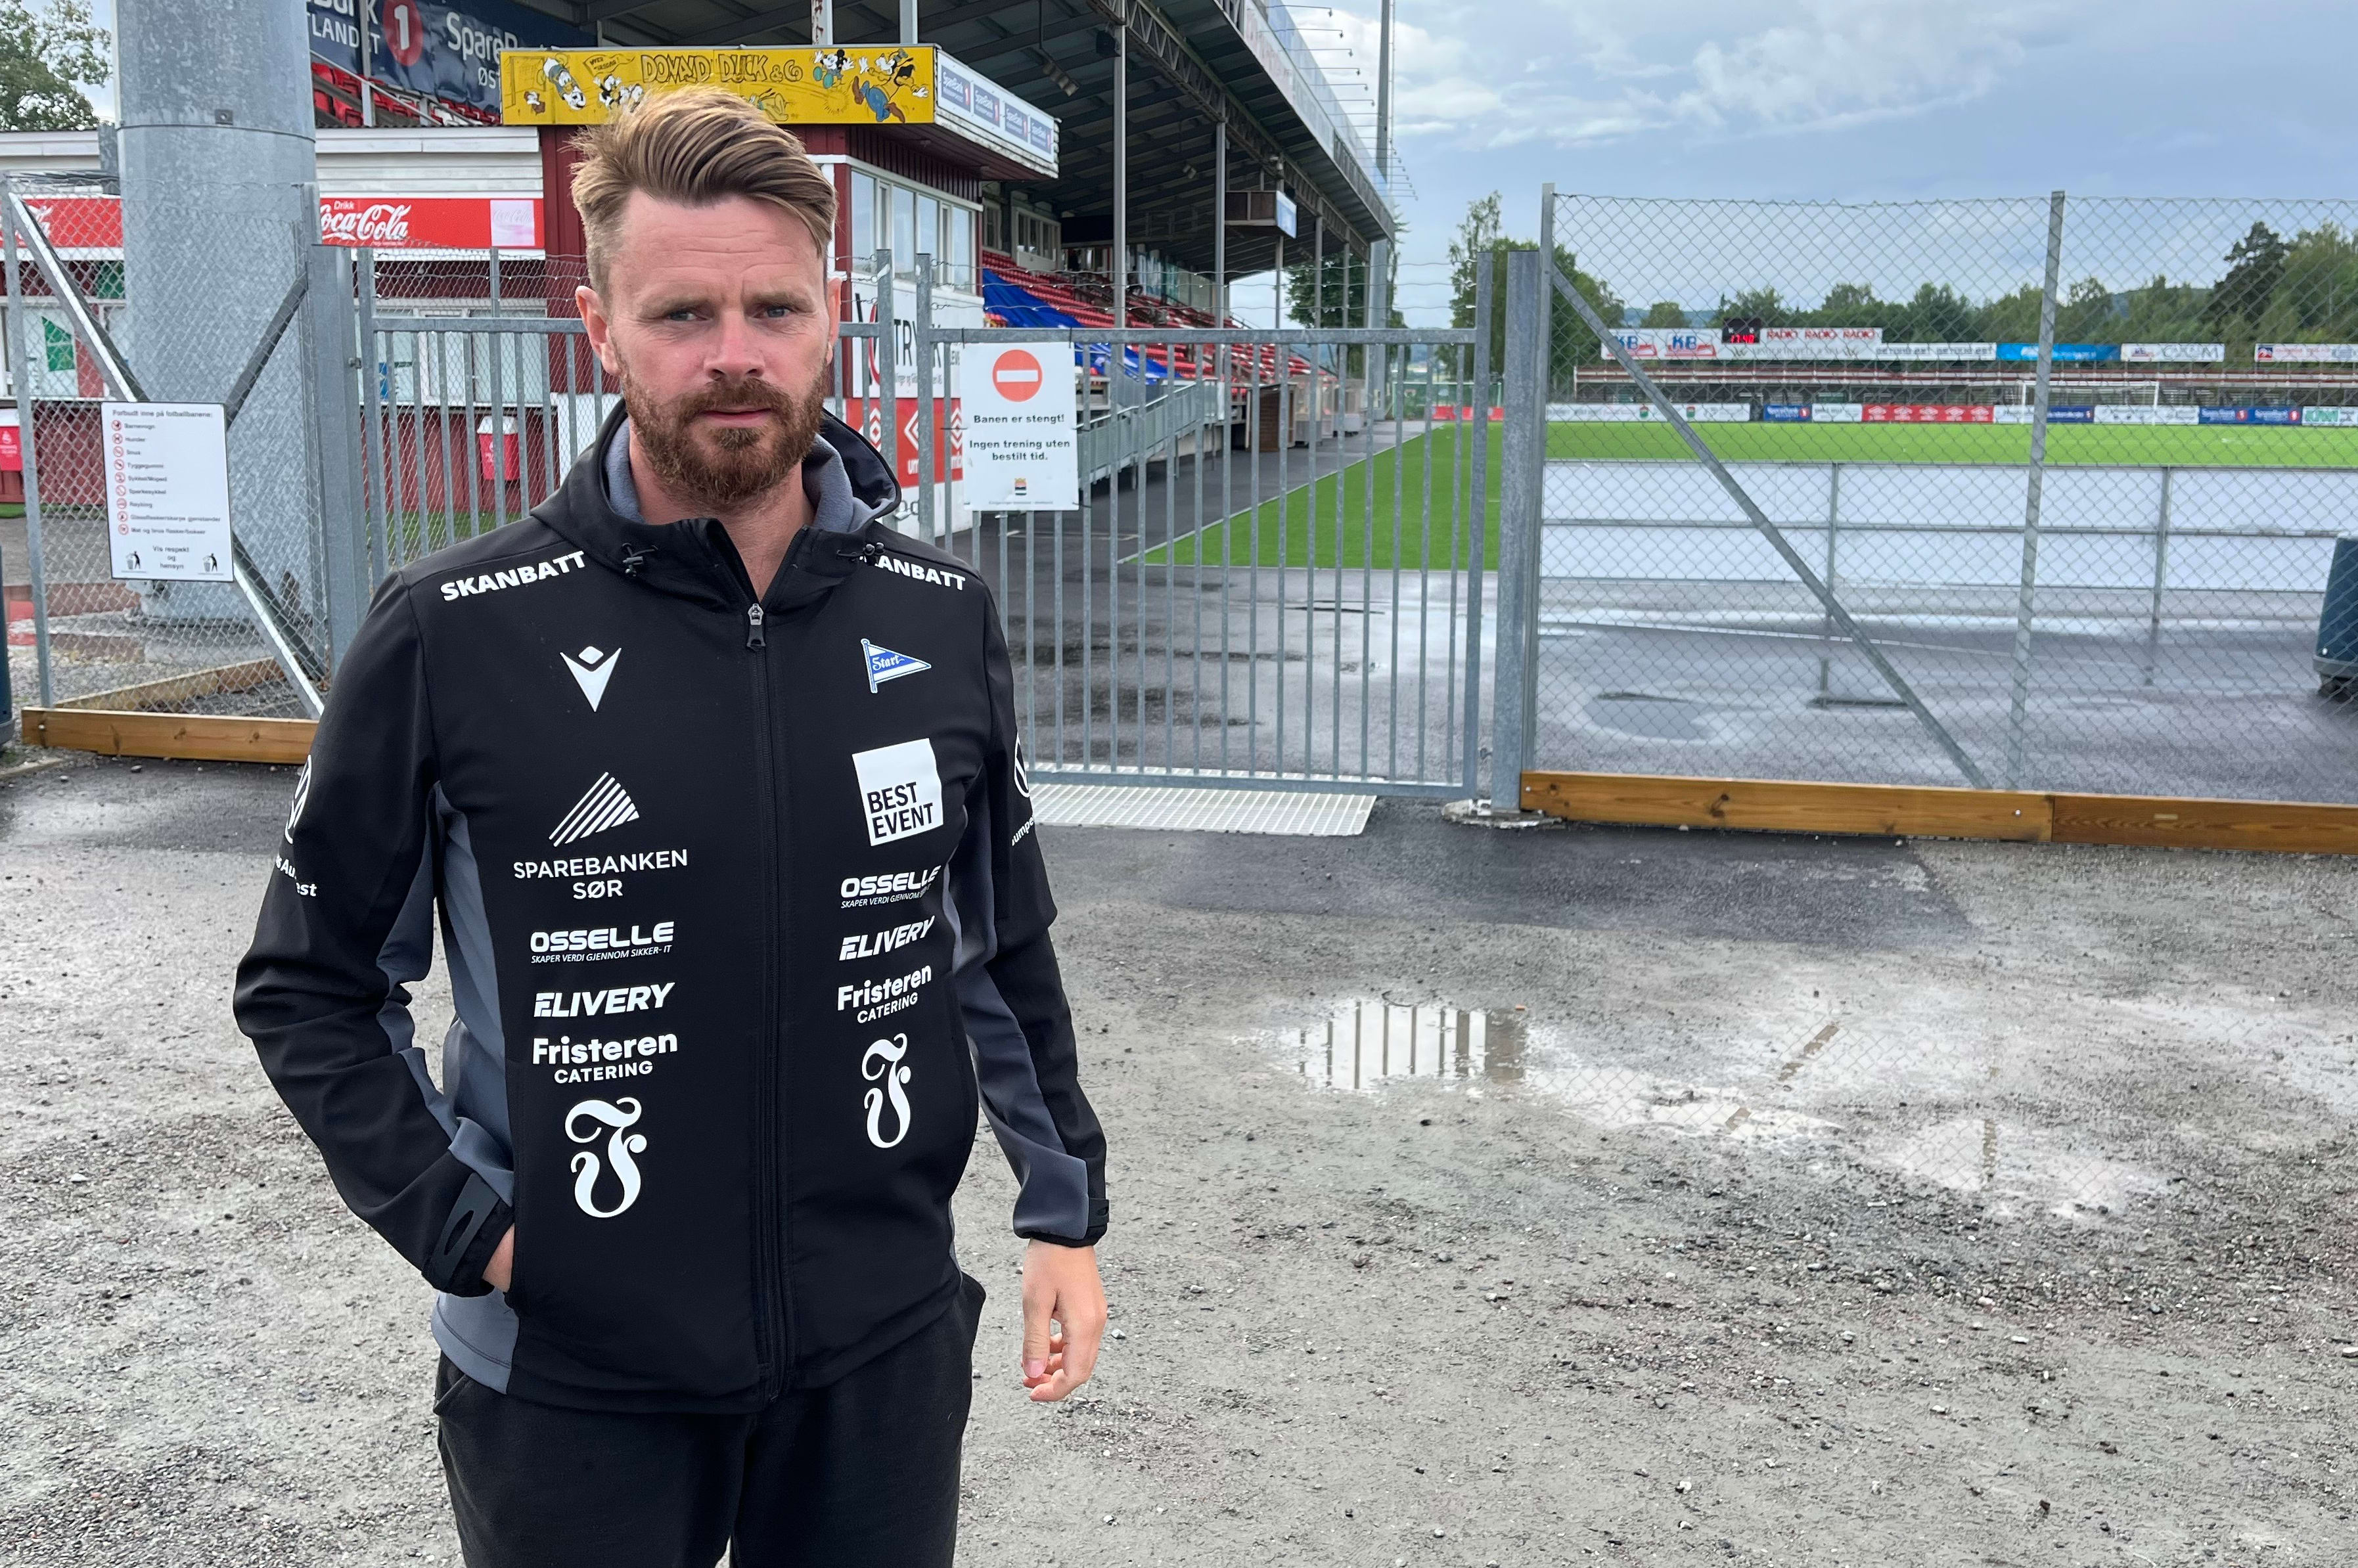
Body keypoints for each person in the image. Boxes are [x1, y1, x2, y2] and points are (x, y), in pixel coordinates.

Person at [234, 87, 1108, 1568]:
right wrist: (476, 1235)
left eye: (773, 308)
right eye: (682, 314)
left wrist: (1063, 1208)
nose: (733, 355)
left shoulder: (940, 616)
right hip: (572, 1375)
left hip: (878, 1351)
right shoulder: (451, 629)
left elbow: (995, 943)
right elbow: (307, 987)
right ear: (600, 326)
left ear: (830, 317)